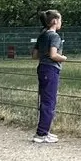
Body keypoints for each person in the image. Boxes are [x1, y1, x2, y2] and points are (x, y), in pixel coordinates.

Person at [31, 9, 67, 144]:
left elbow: (34, 55)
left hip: (42, 68)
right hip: (51, 70)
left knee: (45, 99)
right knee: (49, 102)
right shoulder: (55, 36)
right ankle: (41, 133)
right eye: (60, 20)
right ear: (55, 21)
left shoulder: (42, 35)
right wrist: (63, 58)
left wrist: (44, 55)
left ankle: (44, 131)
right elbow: (53, 55)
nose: (61, 23)